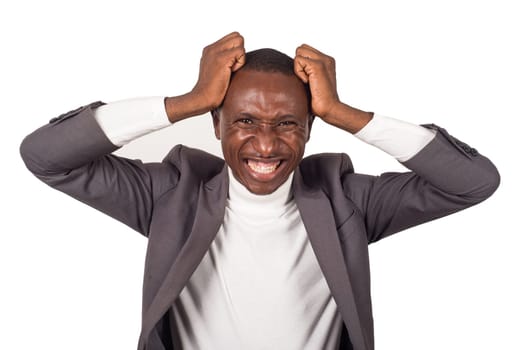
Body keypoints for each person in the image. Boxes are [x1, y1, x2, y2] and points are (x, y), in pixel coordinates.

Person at [20, 32, 500, 350]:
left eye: (287, 123)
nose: (266, 144)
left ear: (311, 128)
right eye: (245, 120)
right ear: (216, 122)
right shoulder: (171, 195)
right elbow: (45, 156)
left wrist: (344, 113)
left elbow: (473, 182)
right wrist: (185, 102)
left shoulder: (347, 203)